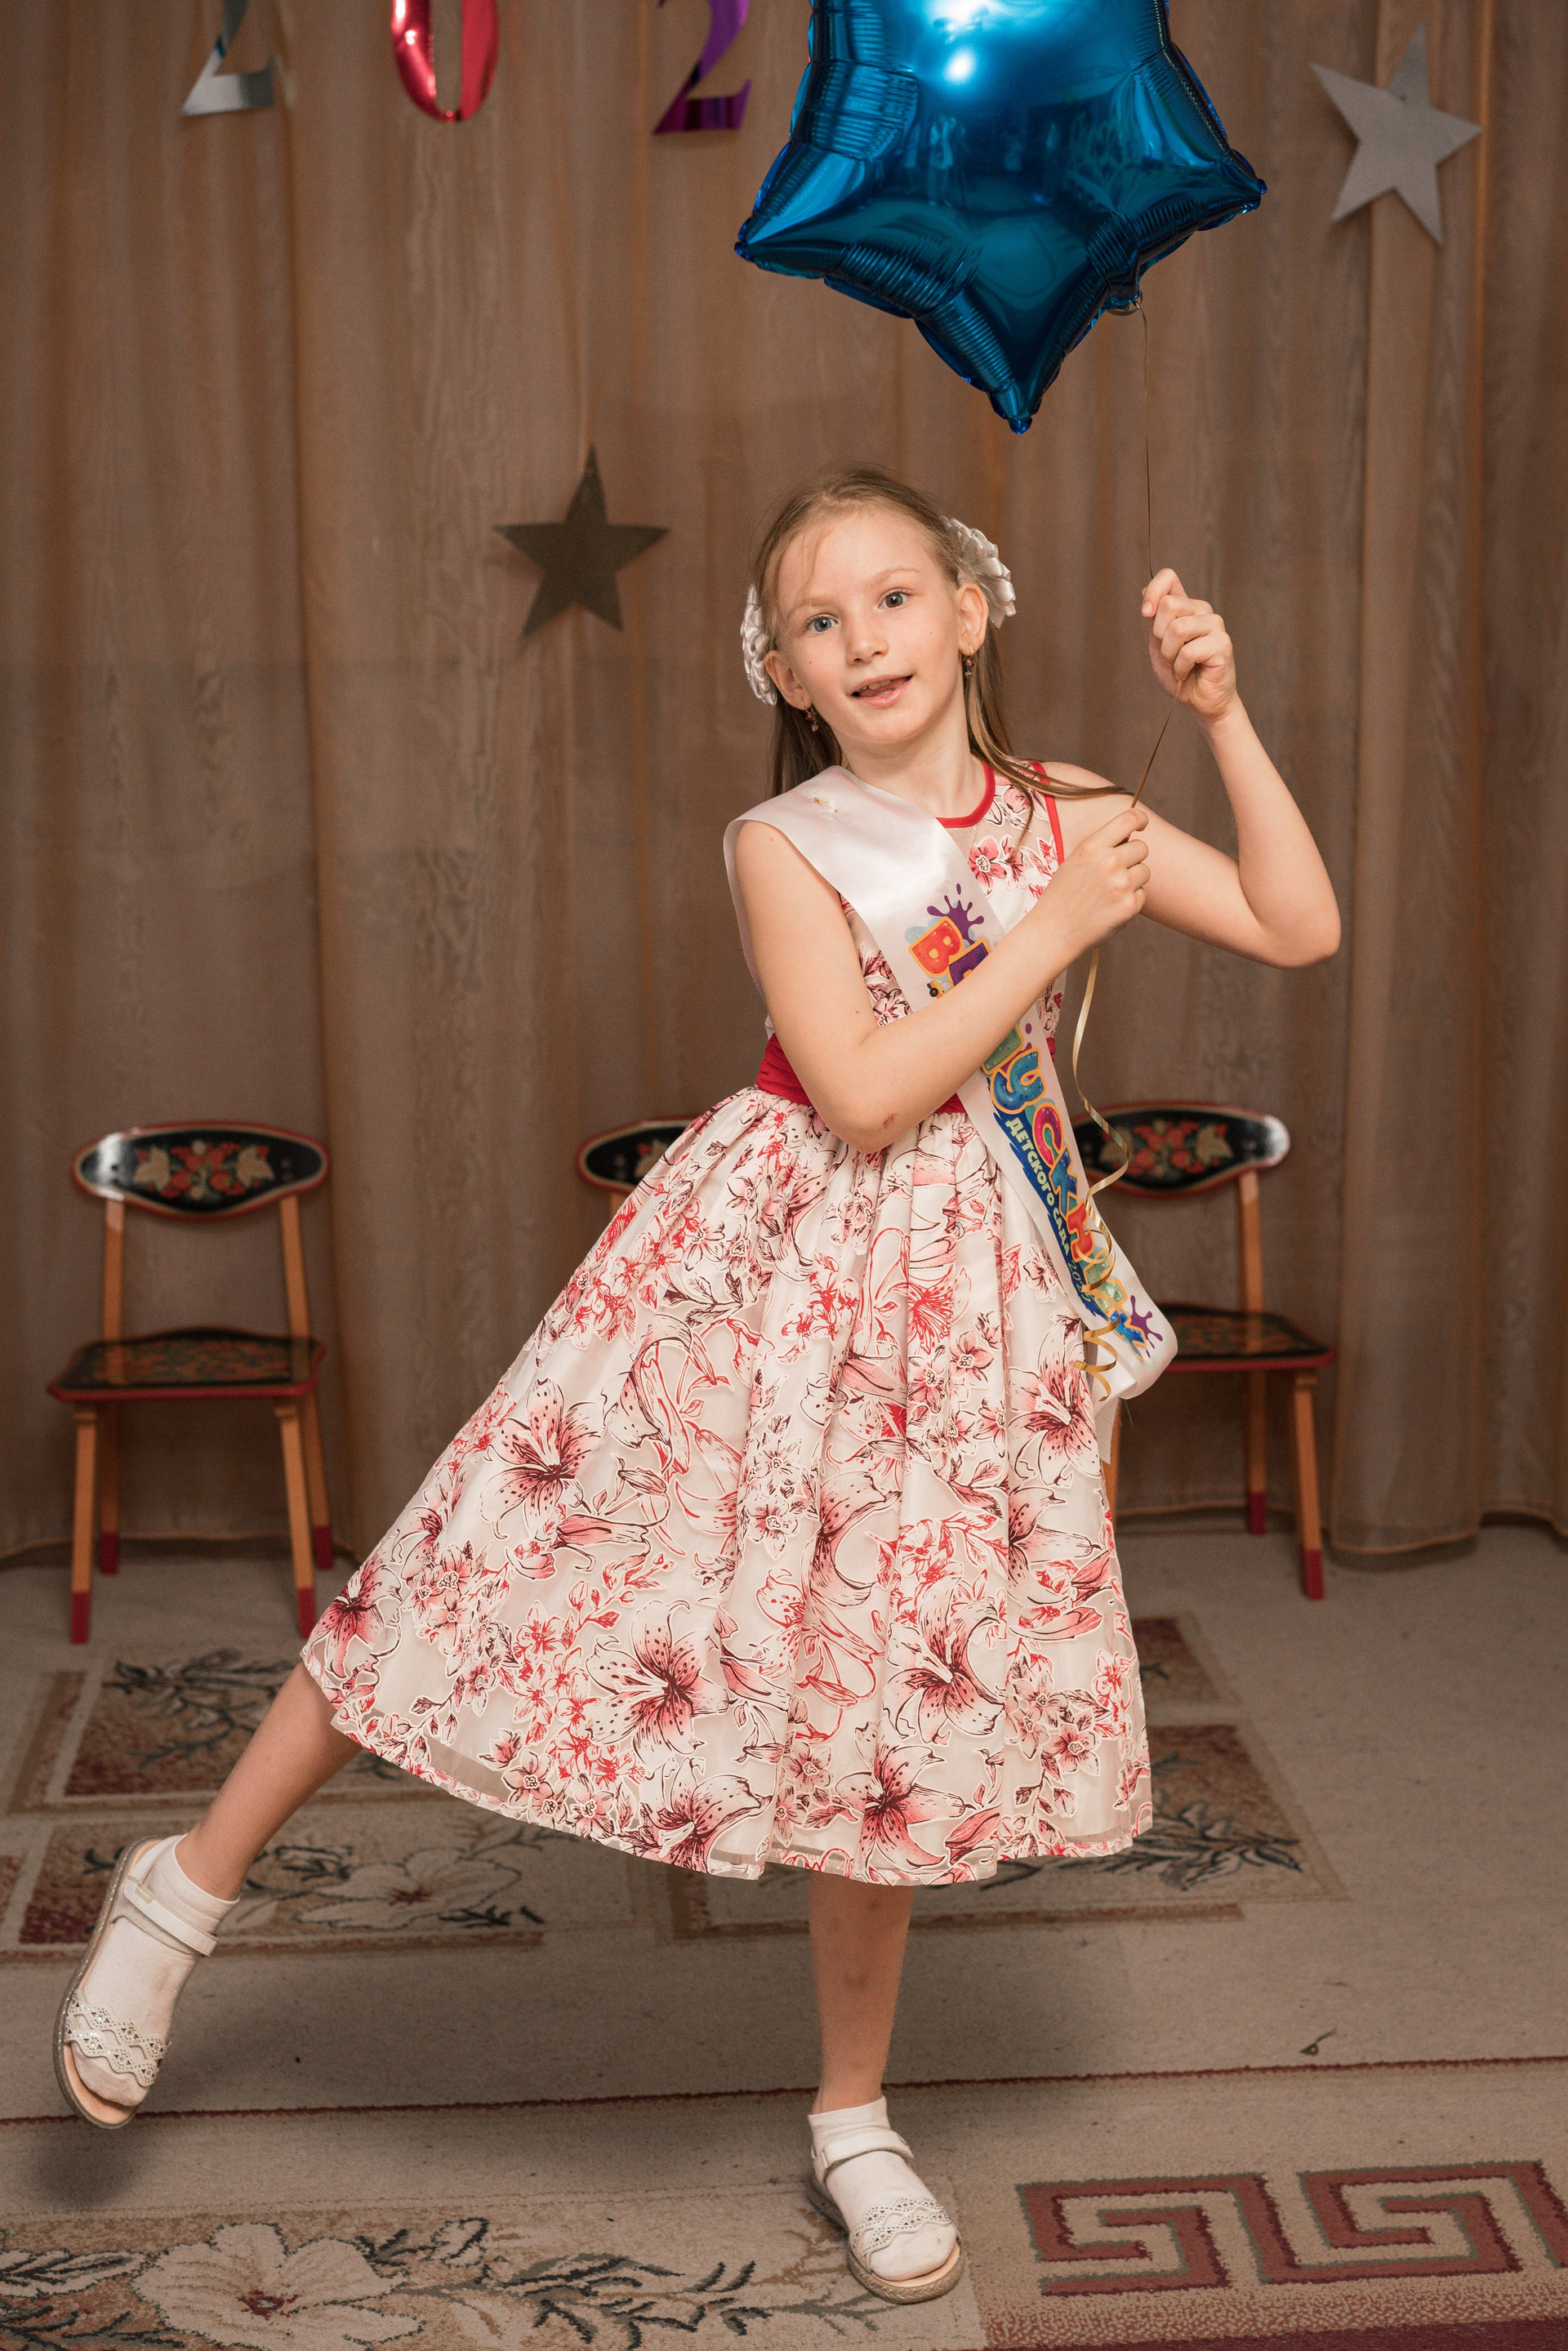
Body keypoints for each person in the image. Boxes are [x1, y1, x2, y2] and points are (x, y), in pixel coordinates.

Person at [52, 465, 1339, 2307]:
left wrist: (1220, 719)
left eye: (893, 596)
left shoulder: (1069, 806)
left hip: (962, 1302)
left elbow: (1299, 923)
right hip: (761, 1268)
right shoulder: (784, 844)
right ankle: (179, 1892)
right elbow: (865, 1094)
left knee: (881, 1690)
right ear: (785, 673)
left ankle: (852, 2118)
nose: (863, 639)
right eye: (819, 621)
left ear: (972, 609)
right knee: (473, 1567)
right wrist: (1054, 932)